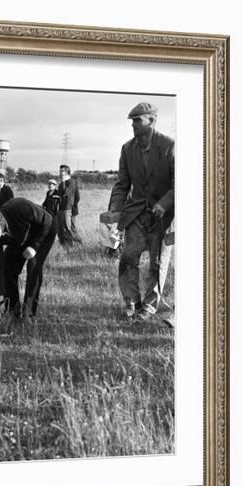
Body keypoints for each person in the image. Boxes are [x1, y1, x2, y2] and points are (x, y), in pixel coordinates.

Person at [107, 102, 175, 322]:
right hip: (136, 213)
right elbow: (122, 184)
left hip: (163, 217)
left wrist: (164, 203)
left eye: (138, 120)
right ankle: (131, 303)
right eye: (132, 121)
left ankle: (148, 307)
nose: (133, 125)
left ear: (152, 121)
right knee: (127, 257)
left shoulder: (169, 146)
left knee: (157, 262)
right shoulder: (127, 149)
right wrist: (116, 209)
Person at [0, 198, 56, 319]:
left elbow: (48, 221)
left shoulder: (19, 207)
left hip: (43, 231)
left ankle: (29, 314)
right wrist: (0, 296)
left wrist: (34, 247)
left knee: (33, 266)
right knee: (8, 268)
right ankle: (13, 310)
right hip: (19, 239)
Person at [56, 164, 82, 247]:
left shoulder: (72, 182)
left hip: (69, 209)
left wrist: (72, 206)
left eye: (62, 171)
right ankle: (68, 245)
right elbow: (60, 195)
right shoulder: (61, 184)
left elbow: (65, 193)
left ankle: (73, 245)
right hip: (62, 208)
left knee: (68, 228)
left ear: (67, 172)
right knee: (64, 228)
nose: (60, 173)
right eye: (60, 171)